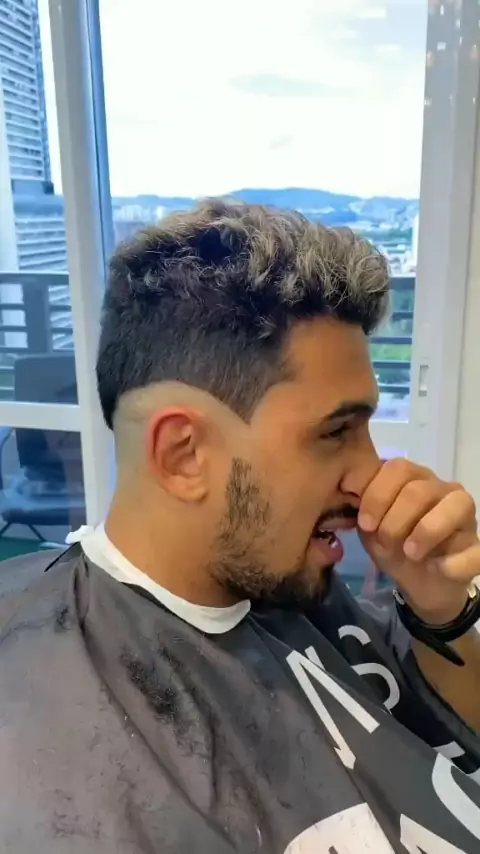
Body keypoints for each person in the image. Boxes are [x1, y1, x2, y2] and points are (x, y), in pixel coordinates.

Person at [1, 201, 480, 853]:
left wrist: (441, 608)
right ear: (185, 455)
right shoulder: (43, 755)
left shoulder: (294, 588)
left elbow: (458, 741)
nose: (372, 474)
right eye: (336, 432)